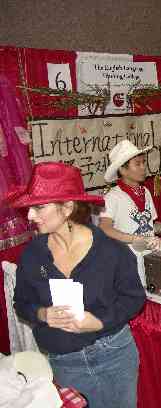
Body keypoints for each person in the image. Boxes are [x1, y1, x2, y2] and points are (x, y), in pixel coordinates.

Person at [11, 162, 145, 408]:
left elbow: (134, 298)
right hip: (65, 362)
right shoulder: (33, 255)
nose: (30, 216)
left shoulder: (111, 251)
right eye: (30, 208)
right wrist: (42, 314)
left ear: (67, 207)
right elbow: (21, 303)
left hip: (113, 355)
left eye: (39, 207)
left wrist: (100, 321)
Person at [99, 140, 161, 287]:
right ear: (123, 170)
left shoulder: (145, 192)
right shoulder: (112, 197)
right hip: (127, 262)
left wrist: (160, 228)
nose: (143, 168)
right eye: (138, 164)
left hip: (149, 257)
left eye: (143, 162)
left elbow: (146, 225)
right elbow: (104, 229)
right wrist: (136, 239)